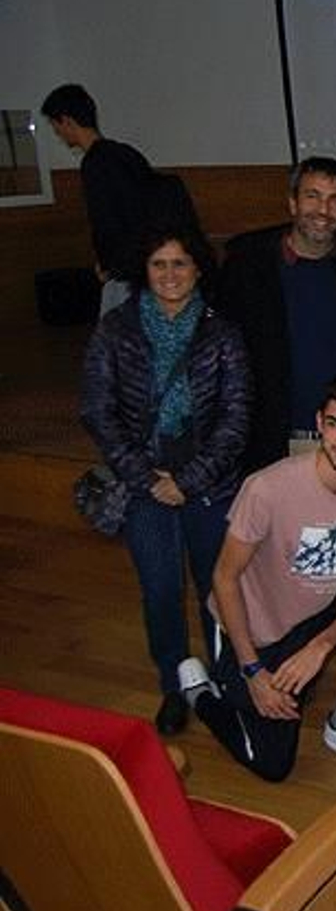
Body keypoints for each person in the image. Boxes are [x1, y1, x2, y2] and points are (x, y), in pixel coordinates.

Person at [176, 371, 336, 783]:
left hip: (314, 610)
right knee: (272, 764)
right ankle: (204, 696)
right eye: (335, 425)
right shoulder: (267, 488)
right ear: (319, 423)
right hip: (254, 625)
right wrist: (253, 672)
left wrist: (320, 648)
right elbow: (224, 579)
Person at [80, 226, 250, 735]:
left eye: (180, 264)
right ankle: (174, 683)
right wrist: (144, 476)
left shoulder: (223, 332)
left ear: (198, 270)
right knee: (159, 589)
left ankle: (222, 680)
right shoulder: (115, 328)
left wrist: (190, 480)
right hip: (143, 484)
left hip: (209, 484)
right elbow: (97, 410)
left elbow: (236, 418)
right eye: (160, 264)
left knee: (216, 587)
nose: (170, 275)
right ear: (145, 271)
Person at [211, 158, 336, 474]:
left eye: (334, 200)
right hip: (274, 437)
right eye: (312, 196)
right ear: (292, 203)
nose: (322, 210)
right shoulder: (248, 268)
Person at [41, 83, 171, 313]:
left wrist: (108, 263)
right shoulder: (127, 154)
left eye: (55, 126)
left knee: (116, 337)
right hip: (151, 259)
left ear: (66, 121)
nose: (58, 134)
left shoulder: (94, 164)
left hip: (126, 267)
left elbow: (105, 219)